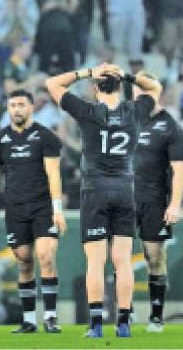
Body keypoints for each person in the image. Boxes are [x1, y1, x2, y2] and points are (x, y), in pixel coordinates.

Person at [45, 63, 161, 338]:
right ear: (120, 87)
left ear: (96, 88)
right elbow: (155, 87)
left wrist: (87, 72)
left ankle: (96, 324)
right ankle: (123, 323)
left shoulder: (87, 111)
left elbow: (52, 83)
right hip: (125, 189)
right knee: (122, 261)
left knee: (95, 262)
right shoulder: (134, 111)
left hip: (95, 190)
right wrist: (129, 75)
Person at [0, 89, 65, 334]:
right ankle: (29, 319)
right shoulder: (1, 139)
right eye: (12, 105)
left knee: (46, 256)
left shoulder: (45, 136)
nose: (16, 109)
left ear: (31, 107)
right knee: (24, 261)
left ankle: (50, 316)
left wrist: (57, 209)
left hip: (43, 207)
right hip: (15, 208)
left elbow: (53, 174)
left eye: (21, 105)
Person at [132, 71, 183, 332]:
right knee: (117, 255)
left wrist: (174, 204)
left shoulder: (170, 126)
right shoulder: (125, 119)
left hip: (154, 199)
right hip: (123, 199)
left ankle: (155, 316)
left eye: (143, 92)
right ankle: (124, 311)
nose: (138, 98)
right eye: (135, 92)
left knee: (154, 256)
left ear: (154, 93)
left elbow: (179, 170)